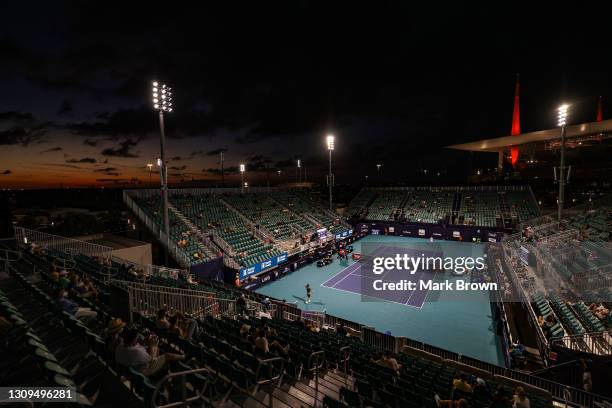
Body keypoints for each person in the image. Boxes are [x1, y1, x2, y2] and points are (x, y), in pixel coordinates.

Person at [115, 328, 184, 377]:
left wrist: (146, 342)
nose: (137, 339)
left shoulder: (120, 345)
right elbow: (150, 358)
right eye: (136, 338)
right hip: (143, 371)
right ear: (133, 339)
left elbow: (138, 349)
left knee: (156, 348)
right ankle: (183, 357)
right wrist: (151, 345)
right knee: (167, 355)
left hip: (133, 369)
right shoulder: (136, 352)